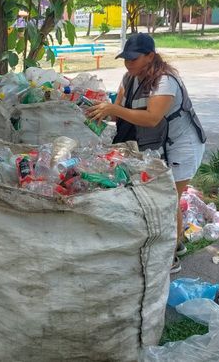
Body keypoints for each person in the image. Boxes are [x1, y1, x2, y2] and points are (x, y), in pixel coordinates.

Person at [86, 33, 206, 274]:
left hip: (182, 144)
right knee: (163, 198)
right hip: (156, 145)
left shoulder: (165, 81)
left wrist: (113, 108)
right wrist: (95, 108)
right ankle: (176, 243)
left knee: (167, 200)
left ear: (150, 56)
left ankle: (168, 258)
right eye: (125, 59)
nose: (128, 63)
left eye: (134, 58)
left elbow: (152, 118)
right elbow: (117, 112)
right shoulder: (129, 78)